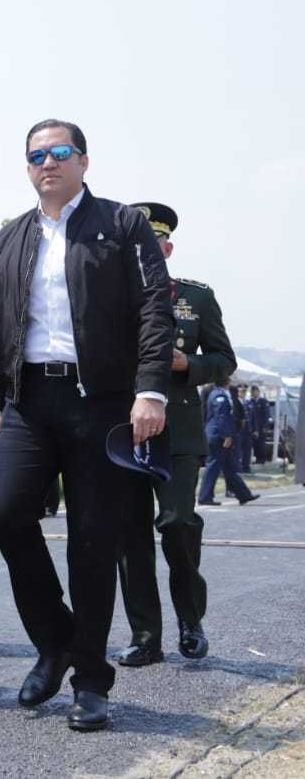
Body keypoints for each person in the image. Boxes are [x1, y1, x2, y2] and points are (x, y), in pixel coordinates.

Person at [0, 119, 173, 732]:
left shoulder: (122, 225)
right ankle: (57, 641)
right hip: (29, 401)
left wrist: (149, 392)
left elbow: (154, 308)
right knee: (5, 514)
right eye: (36, 155)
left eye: (60, 153)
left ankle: (90, 678)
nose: (48, 163)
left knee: (93, 543)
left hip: (103, 401)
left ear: (84, 161)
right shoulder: (10, 237)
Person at [114, 202, 236, 667]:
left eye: (152, 242)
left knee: (177, 523)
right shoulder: (104, 296)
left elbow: (225, 361)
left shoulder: (195, 297)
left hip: (178, 430)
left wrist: (191, 366)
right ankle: (145, 634)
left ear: (166, 247)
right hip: (122, 429)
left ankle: (190, 619)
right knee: (130, 534)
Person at [197, 375, 259, 505]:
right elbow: (221, 417)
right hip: (218, 436)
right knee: (213, 467)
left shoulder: (221, 393)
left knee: (230, 468)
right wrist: (226, 435)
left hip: (219, 435)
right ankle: (204, 497)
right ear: (227, 382)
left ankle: (243, 494)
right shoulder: (219, 396)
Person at [248, 386, 271, 464]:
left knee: (261, 444)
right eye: (252, 392)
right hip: (254, 427)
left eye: (255, 391)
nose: (254, 393)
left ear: (258, 392)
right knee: (255, 444)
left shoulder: (263, 401)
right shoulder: (250, 401)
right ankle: (257, 458)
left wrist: (265, 426)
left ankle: (262, 459)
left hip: (261, 427)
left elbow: (267, 415)